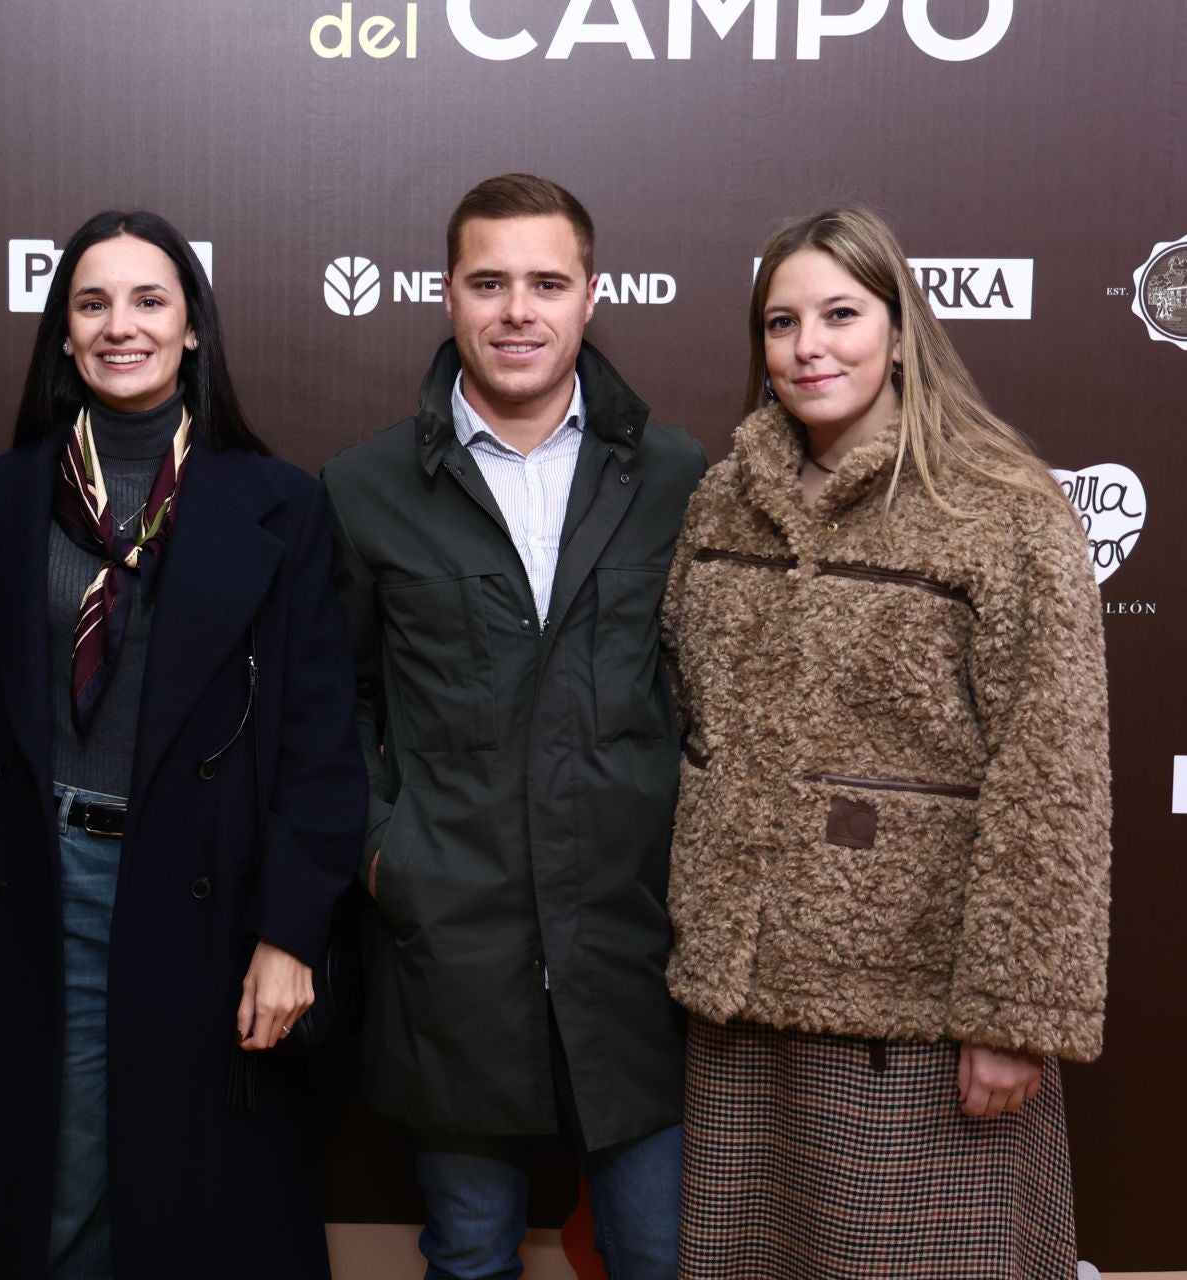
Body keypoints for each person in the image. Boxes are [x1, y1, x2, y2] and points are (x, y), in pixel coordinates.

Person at [662, 206, 1111, 1279]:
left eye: (840, 313)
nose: (808, 345)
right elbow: (692, 712)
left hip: (917, 1013)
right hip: (741, 1004)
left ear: (901, 330)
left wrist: (1013, 1011)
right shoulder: (723, 502)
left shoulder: (1004, 510)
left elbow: (1054, 770)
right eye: (782, 321)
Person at [0, 209, 365, 1280]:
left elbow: (321, 736)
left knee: (196, 1206)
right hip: (46, 885)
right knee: (62, 1191)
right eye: (92, 302)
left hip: (208, 886)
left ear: (192, 329)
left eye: (148, 300)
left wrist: (291, 929)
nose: (120, 325)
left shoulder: (281, 506)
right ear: (64, 334)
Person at [322, 174, 706, 1280]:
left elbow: (716, 690)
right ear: (448, 294)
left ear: (592, 294)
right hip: (454, 943)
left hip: (636, 941)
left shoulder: (681, 476)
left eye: (546, 282)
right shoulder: (364, 486)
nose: (516, 311)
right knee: (474, 1252)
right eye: (489, 282)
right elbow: (338, 697)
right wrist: (388, 855)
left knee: (656, 1253)